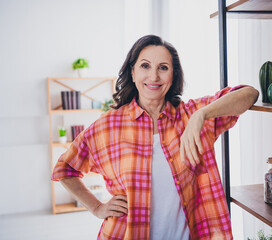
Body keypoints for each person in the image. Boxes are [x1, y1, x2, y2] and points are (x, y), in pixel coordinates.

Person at [52, 34, 259, 240]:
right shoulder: (108, 125)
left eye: (163, 67)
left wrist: (201, 115)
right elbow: (65, 169)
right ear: (132, 72)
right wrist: (97, 207)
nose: (154, 77)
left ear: (173, 76)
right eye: (145, 66)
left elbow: (249, 94)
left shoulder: (192, 115)